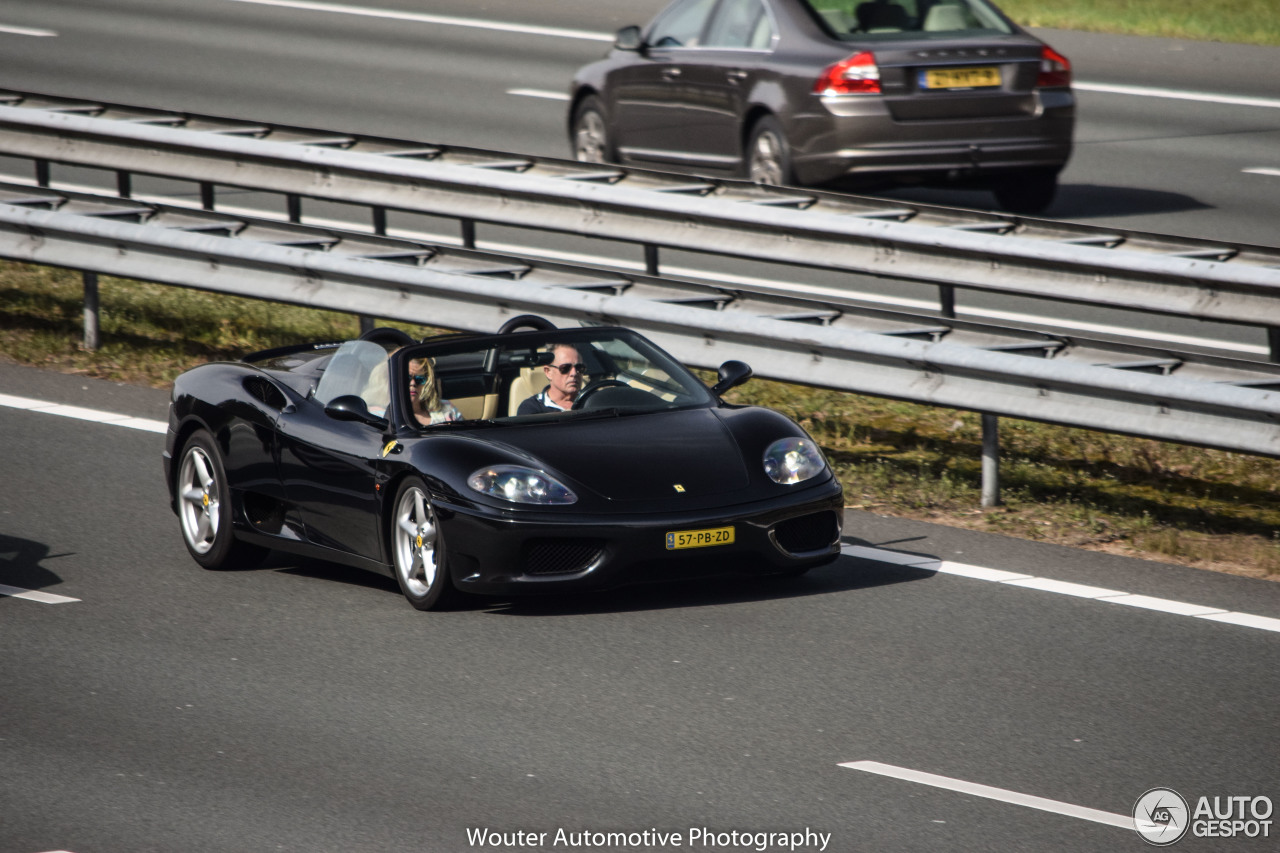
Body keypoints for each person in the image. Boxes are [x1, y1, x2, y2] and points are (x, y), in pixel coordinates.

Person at [517, 343, 586, 415]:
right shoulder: (531, 408)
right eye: (565, 368)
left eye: (579, 367)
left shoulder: (592, 401)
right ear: (548, 372)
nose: (574, 373)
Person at [408, 356, 462, 426]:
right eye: (407, 378)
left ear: (427, 382)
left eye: (420, 379)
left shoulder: (447, 409)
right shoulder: (392, 416)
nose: (413, 383)